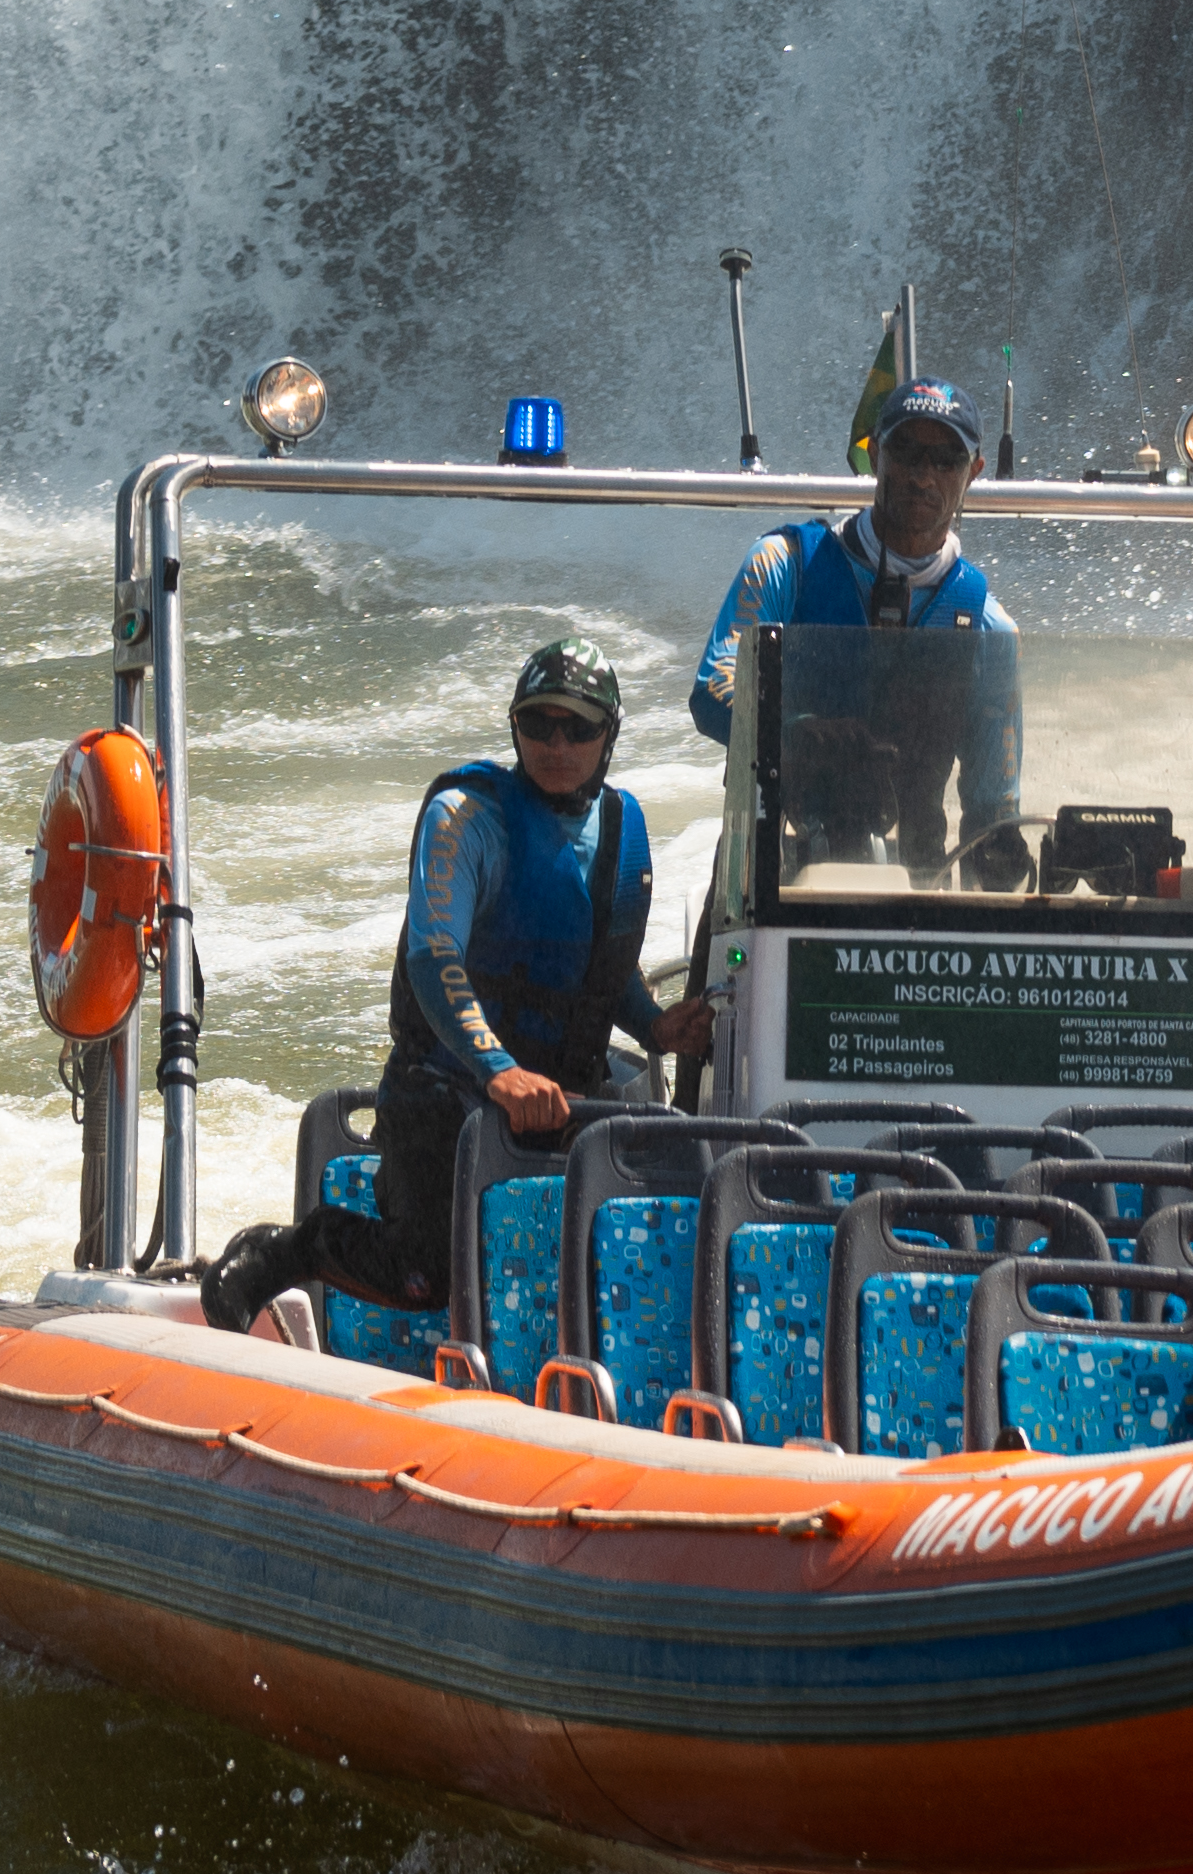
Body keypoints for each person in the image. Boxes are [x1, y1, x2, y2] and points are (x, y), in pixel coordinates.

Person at [205, 642, 705, 1334]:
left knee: (577, 1275)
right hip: (443, 1090)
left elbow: (603, 972)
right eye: (539, 724)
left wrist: (655, 1026)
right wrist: (498, 1071)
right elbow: (434, 956)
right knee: (425, 1276)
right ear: (514, 727)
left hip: (559, 1100)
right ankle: (291, 1250)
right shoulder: (466, 817)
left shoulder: (624, 827)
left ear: (609, 734)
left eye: (579, 727)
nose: (557, 744)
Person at [691, 378, 1022, 879]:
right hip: (775, 872)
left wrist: (1003, 861)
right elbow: (713, 691)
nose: (923, 477)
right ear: (874, 455)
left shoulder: (988, 627)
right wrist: (799, 735)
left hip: (916, 887)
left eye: (946, 460)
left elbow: (992, 806)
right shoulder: (784, 564)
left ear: (972, 471)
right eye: (906, 452)